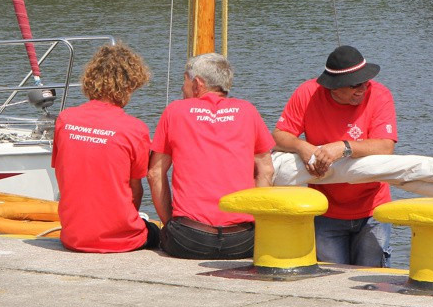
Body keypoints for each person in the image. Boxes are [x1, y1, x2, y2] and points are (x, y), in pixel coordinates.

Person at [273, 45, 397, 267]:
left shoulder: (379, 94)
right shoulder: (307, 93)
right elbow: (279, 136)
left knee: (372, 285)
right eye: (355, 84)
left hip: (372, 210)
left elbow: (386, 146)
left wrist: (343, 147)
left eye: (365, 81)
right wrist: (303, 147)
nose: (363, 88)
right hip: (325, 210)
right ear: (334, 87)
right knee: (332, 282)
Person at [147, 53, 275, 259]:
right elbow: (266, 171)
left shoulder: (175, 111)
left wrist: (170, 224)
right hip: (242, 241)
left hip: (189, 239)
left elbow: (154, 174)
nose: (182, 87)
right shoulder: (248, 111)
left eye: (185, 80)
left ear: (197, 83)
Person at [51, 44, 159, 253]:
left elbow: (64, 175)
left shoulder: (65, 119)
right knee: (156, 232)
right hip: (121, 240)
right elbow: (136, 190)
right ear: (129, 85)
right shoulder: (135, 128)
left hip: (73, 237)